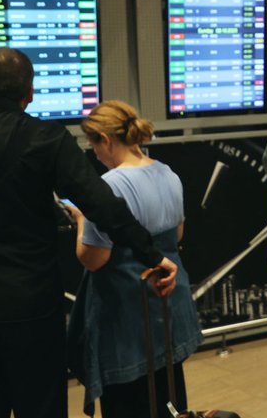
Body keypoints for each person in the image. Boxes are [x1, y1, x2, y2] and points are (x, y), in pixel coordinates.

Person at [0, 48, 176, 418]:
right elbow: (101, 204)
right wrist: (153, 255)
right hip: (30, 308)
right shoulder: (46, 139)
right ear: (30, 93)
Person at [67, 101, 203, 418]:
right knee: (169, 395)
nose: (94, 153)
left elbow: (94, 259)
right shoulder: (168, 174)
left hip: (127, 314)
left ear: (105, 138)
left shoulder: (109, 187)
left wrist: (82, 220)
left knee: (128, 404)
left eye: (92, 144)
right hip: (168, 306)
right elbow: (176, 237)